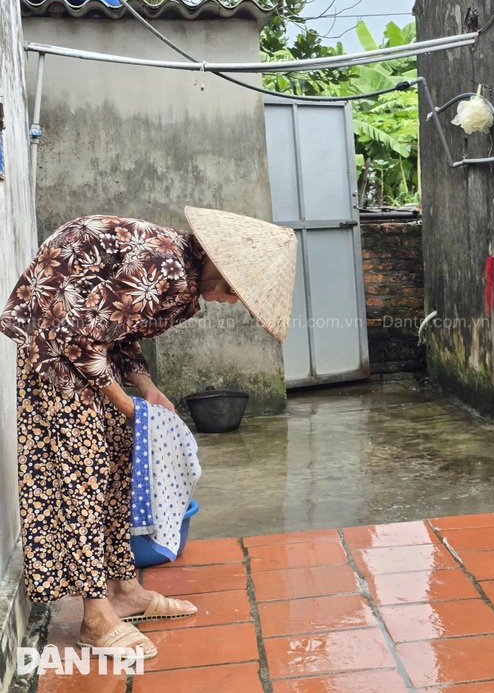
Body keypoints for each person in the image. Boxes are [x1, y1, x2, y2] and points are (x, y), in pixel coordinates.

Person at [0, 207, 296, 660]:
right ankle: (95, 619)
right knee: (83, 477)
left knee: (119, 461)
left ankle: (124, 589)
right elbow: (81, 339)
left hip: (85, 343)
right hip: (56, 348)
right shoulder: (166, 267)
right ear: (217, 259)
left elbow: (116, 329)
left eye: (241, 297)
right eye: (234, 288)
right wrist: (128, 404)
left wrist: (147, 388)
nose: (231, 300)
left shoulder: (181, 272)